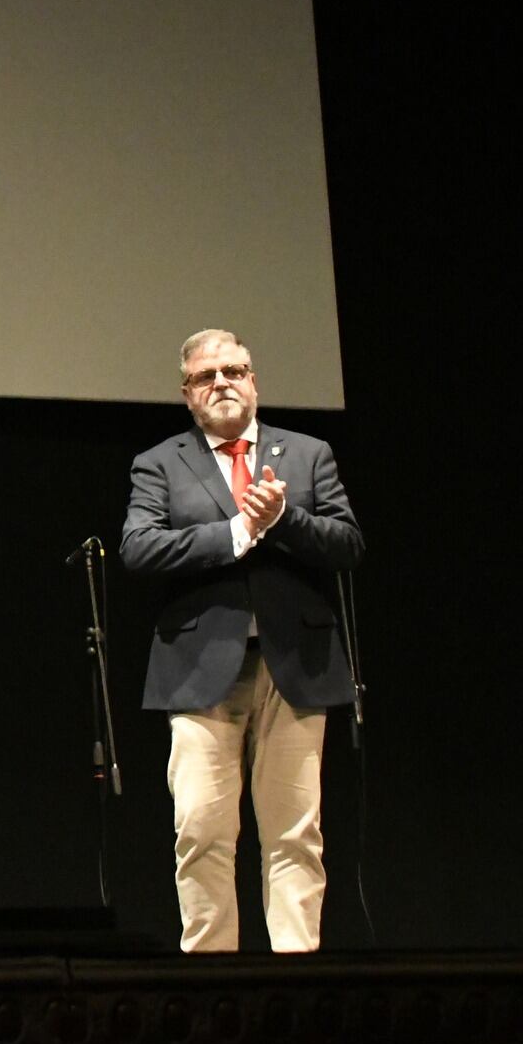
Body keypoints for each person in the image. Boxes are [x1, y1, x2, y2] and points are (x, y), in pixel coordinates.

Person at [120, 329, 364, 953]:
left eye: (234, 371)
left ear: (254, 381)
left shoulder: (307, 454)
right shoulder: (160, 462)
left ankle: (296, 976)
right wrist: (233, 533)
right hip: (201, 671)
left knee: (294, 834)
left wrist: (284, 520)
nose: (222, 382)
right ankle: (211, 980)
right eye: (207, 376)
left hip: (295, 666)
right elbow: (139, 548)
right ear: (188, 394)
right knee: (201, 831)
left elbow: (348, 545)